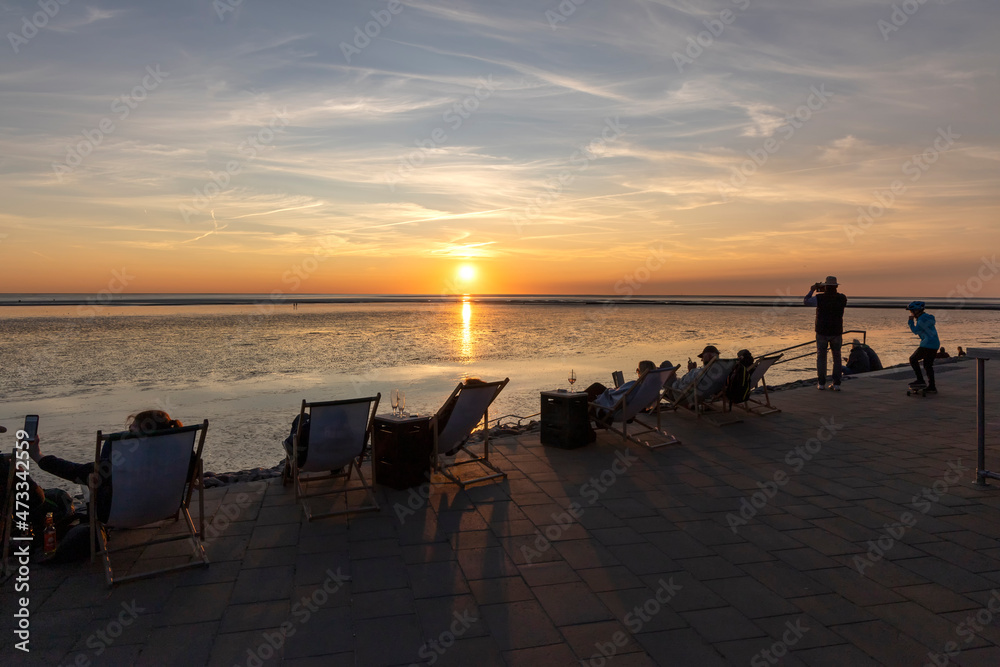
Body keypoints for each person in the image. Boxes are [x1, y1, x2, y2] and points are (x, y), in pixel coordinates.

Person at [29, 410, 185, 522]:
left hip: (123, 513)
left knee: (106, 453)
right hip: (165, 508)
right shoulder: (178, 455)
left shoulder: (122, 463)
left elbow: (75, 472)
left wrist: (37, 455)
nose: (127, 433)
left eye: (131, 430)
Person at [804, 276, 848, 391]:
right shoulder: (842, 298)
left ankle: (821, 383)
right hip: (836, 331)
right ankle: (837, 383)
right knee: (837, 357)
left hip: (822, 331)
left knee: (821, 357)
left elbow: (806, 301)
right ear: (837, 286)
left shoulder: (819, 298)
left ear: (825, 286)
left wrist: (812, 290)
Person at [586, 360, 657, 418]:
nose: (637, 372)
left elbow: (617, 397)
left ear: (642, 372)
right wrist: (618, 390)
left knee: (591, 391)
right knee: (596, 387)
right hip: (624, 407)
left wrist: (614, 390)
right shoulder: (651, 387)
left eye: (638, 370)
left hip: (612, 407)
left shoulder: (635, 385)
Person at [907, 301, 940, 392]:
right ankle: (932, 386)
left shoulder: (921, 319)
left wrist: (910, 321)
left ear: (917, 310)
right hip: (935, 343)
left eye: (911, 311)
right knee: (928, 365)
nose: (911, 313)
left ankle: (920, 380)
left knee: (913, 359)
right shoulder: (927, 318)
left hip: (927, 344)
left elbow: (916, 331)